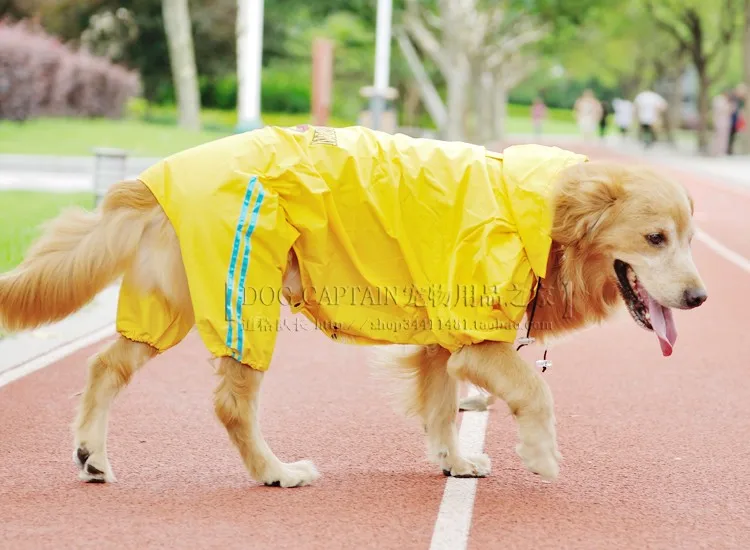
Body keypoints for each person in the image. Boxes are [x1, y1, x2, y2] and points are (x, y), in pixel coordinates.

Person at [711, 89, 733, 157]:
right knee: (718, 137)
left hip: (725, 121)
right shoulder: (718, 100)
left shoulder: (727, 101)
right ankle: (716, 151)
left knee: (724, 138)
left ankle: (722, 151)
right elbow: (721, 110)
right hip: (719, 121)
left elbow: (730, 111)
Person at [727, 84, 746, 155]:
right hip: (731, 118)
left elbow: (741, 110)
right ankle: (728, 150)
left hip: (736, 119)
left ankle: (730, 150)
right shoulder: (733, 97)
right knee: (730, 133)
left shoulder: (741, 100)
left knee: (734, 134)